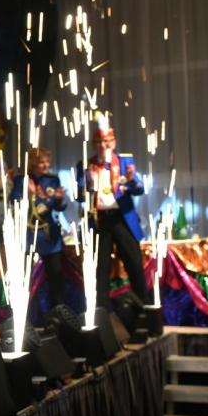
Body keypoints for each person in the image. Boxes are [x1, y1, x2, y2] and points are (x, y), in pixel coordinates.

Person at [77, 123, 148, 305]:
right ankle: (100, 312)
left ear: (114, 143)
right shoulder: (85, 165)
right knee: (100, 269)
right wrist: (88, 185)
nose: (103, 145)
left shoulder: (124, 162)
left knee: (134, 264)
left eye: (107, 141)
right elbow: (79, 196)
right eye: (99, 142)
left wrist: (131, 181)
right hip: (99, 220)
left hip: (122, 218)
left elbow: (139, 189)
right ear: (93, 145)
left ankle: (144, 308)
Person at [10, 147, 68, 309]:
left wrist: (58, 199)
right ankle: (23, 313)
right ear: (33, 164)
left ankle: (58, 312)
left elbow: (58, 207)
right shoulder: (21, 180)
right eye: (41, 162)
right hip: (28, 235)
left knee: (56, 277)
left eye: (47, 162)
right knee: (24, 278)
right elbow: (15, 202)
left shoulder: (52, 180)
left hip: (49, 236)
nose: (46, 165)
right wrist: (30, 195)